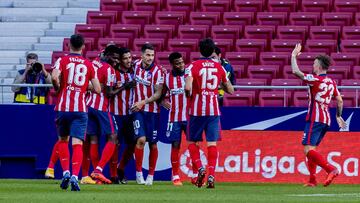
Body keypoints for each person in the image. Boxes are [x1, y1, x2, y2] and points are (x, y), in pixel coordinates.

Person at [291, 44, 347, 187]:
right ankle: (312, 180)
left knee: (307, 150)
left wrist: (293, 55)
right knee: (312, 150)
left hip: (314, 119)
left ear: (320, 67)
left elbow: (296, 72)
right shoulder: (332, 82)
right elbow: (339, 100)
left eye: (314, 64)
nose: (313, 66)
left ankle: (331, 169)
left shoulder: (315, 79)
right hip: (326, 120)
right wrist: (338, 116)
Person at [51, 34, 101, 191]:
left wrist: (58, 87)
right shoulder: (89, 64)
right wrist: (85, 86)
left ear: (68, 46)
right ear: (83, 46)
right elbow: (98, 89)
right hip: (80, 109)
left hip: (63, 108)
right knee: (78, 144)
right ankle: (74, 176)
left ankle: (65, 172)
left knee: (63, 140)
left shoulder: (62, 60)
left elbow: (53, 77)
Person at [185, 38, 234, 189]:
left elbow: (187, 88)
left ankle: (200, 168)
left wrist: (190, 95)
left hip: (196, 110)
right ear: (213, 51)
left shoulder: (192, 66)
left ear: (200, 50)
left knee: (192, 142)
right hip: (213, 110)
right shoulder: (219, 67)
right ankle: (212, 175)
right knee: (211, 143)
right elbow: (230, 90)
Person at [131, 44, 164, 185]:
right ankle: (139, 174)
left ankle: (150, 175)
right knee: (141, 140)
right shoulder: (135, 65)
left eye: (152, 55)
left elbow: (158, 93)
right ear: (142, 55)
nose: (150, 58)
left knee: (153, 145)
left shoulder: (158, 71)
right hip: (138, 111)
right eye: (148, 55)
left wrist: (143, 101)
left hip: (153, 112)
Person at [87, 45, 120, 184]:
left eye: (118, 58)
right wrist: (123, 87)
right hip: (101, 107)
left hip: (88, 105)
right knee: (113, 136)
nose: (116, 61)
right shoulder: (109, 69)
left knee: (93, 139)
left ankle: (97, 177)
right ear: (107, 55)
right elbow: (109, 93)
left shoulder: (93, 62)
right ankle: (98, 170)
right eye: (114, 57)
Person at [108, 47, 136, 184]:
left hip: (130, 114)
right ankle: (113, 175)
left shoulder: (134, 71)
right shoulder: (113, 73)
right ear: (119, 60)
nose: (129, 61)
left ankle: (121, 168)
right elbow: (109, 93)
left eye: (130, 58)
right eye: (125, 58)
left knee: (133, 143)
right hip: (116, 114)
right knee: (116, 144)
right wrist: (125, 86)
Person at [162, 52, 188, 186]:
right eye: (178, 63)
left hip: (190, 116)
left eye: (182, 62)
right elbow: (159, 94)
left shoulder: (190, 74)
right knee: (175, 146)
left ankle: (195, 175)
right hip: (174, 117)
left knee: (193, 144)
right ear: (172, 64)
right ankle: (176, 176)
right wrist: (162, 102)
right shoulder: (167, 78)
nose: (181, 65)